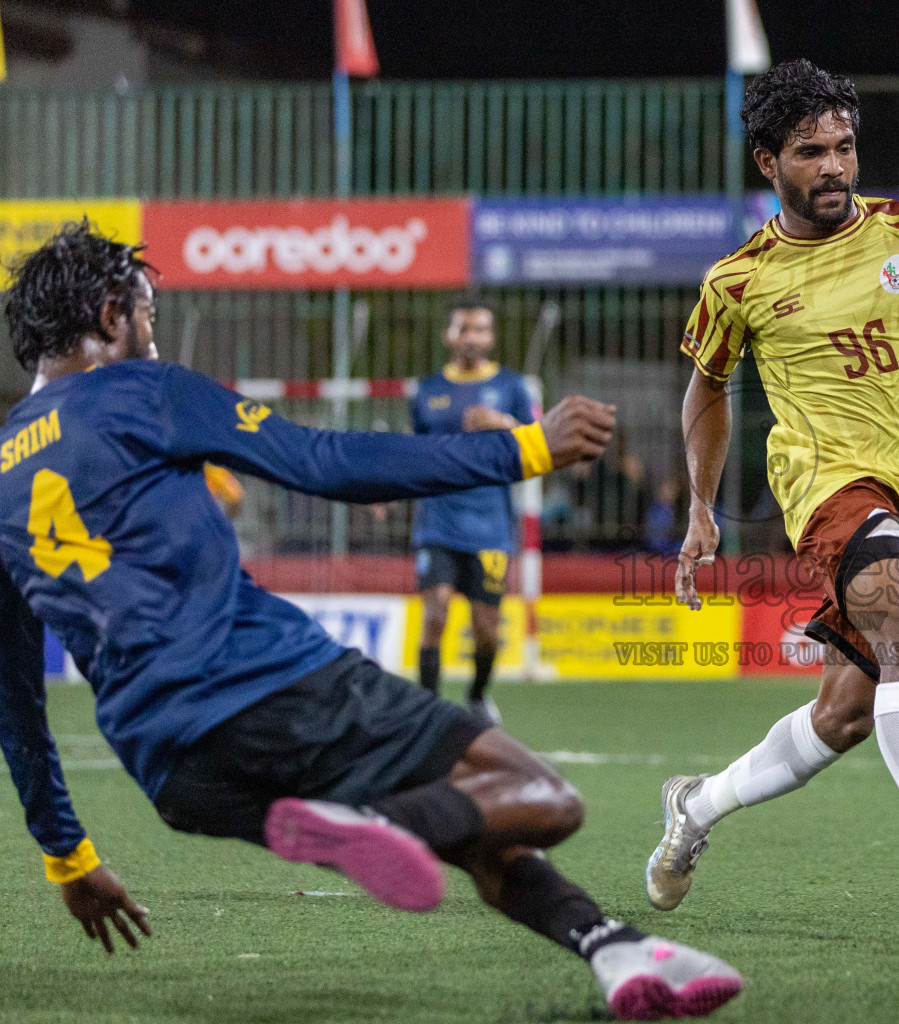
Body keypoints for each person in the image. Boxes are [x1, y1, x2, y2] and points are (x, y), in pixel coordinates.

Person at [0, 222, 741, 1020]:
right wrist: (523, 451)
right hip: (266, 681)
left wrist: (69, 859)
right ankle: (369, 818)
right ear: (112, 315)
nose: (151, 335)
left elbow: (15, 700)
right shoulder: (145, 390)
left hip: (171, 770)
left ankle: (616, 949)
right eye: (146, 315)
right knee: (540, 796)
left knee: (469, 826)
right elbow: (322, 461)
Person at [651, 60, 899, 944]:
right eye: (811, 151)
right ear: (766, 162)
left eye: (845, 147)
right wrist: (703, 508)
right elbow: (704, 393)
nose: (834, 166)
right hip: (827, 488)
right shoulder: (737, 282)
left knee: (847, 713)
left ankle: (695, 806)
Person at [410, 298, 535, 725]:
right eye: (464, 329)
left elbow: (539, 443)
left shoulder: (512, 388)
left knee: (486, 629)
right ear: (449, 336)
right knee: (436, 611)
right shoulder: (426, 391)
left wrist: (503, 423)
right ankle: (427, 706)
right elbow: (415, 452)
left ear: (491, 337)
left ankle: (478, 694)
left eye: (480, 330)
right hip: (437, 522)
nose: (471, 338)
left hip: (490, 527)